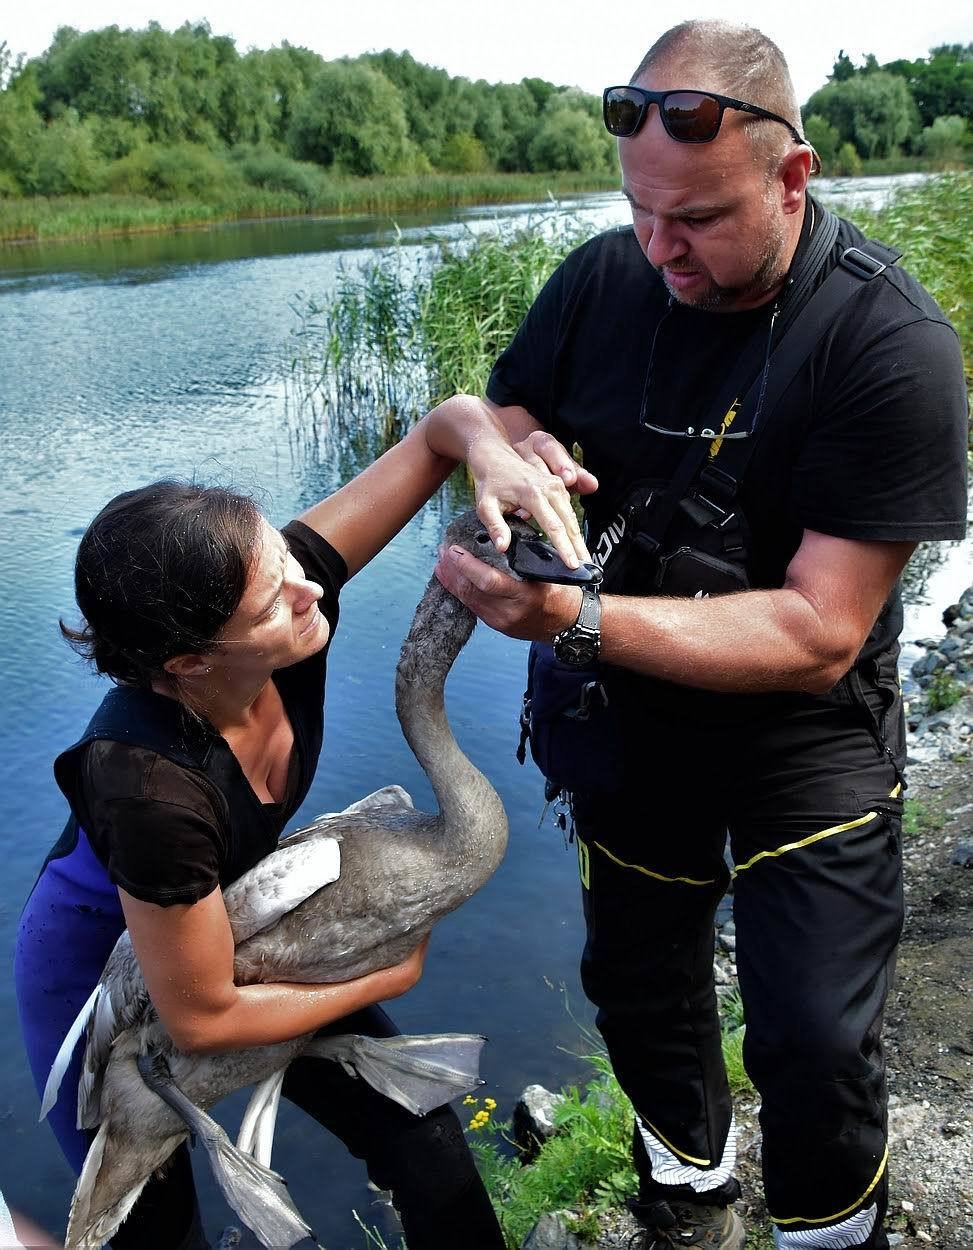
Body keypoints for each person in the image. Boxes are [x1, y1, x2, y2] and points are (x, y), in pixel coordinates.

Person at [433, 21, 969, 1250]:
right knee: (641, 992)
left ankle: (833, 1234)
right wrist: (504, 450)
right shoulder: (603, 277)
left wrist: (568, 613)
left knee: (814, 1039)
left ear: (794, 175)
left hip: (804, 735)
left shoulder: (891, 343)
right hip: (627, 724)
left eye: (702, 221)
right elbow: (507, 406)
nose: (660, 249)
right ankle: (686, 1195)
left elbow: (817, 628)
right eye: (640, 212)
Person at [14, 398, 586, 1250]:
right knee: (149, 1226)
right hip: (110, 987)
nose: (312, 588)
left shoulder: (278, 593)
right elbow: (201, 1019)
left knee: (422, 1139)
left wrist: (490, 455)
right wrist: (385, 980)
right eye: (273, 603)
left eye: (285, 560)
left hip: (250, 927)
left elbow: (446, 426)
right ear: (191, 662)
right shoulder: (148, 790)